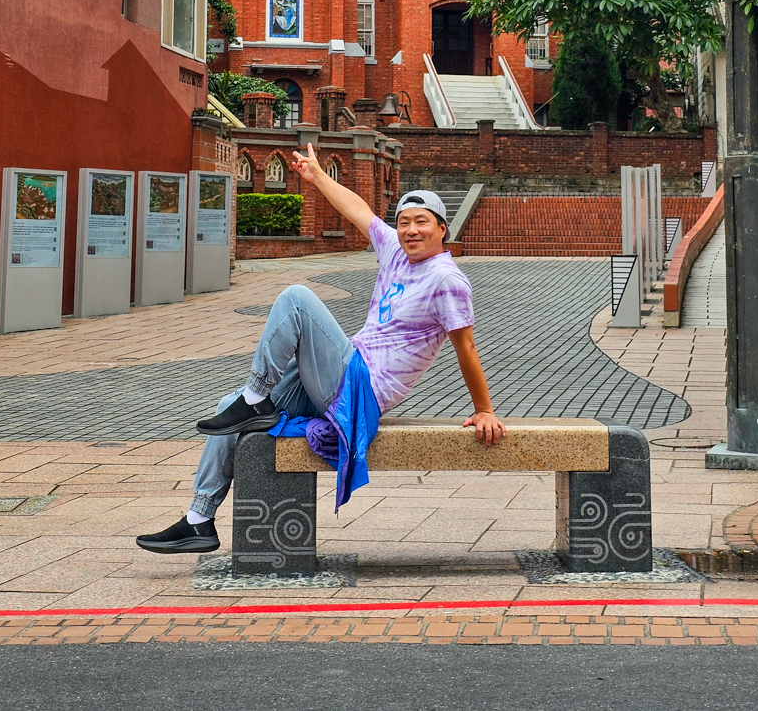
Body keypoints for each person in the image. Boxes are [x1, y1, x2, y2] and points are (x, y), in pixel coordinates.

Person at [136, 145, 506, 555]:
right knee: (229, 408)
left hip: (361, 389)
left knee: (297, 298)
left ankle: (256, 396)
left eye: (422, 222)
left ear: (442, 229)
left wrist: (485, 409)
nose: (411, 230)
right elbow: (360, 210)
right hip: (342, 370)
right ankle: (199, 519)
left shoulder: (448, 280)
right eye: (403, 222)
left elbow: (466, 347)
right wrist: (315, 176)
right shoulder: (396, 253)